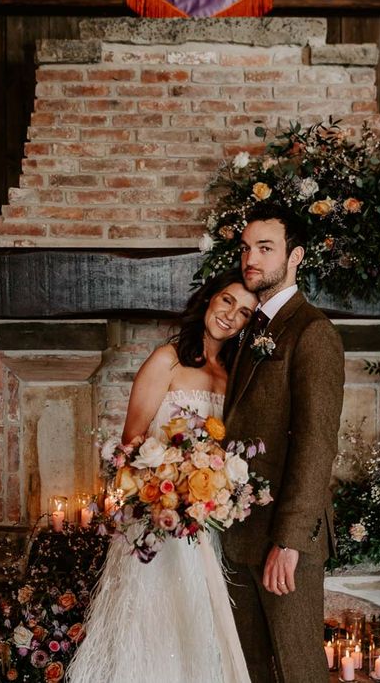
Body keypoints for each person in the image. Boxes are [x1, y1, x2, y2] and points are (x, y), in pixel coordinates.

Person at [66, 270, 258, 683]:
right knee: (152, 623)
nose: (231, 315)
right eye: (227, 301)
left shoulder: (232, 376)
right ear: (210, 299)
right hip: (157, 517)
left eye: (244, 313)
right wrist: (170, 481)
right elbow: (131, 444)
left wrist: (210, 486)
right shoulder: (166, 360)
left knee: (199, 620)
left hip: (204, 523)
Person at [221, 202, 345, 683]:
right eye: (247, 248)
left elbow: (316, 443)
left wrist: (289, 542)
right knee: (251, 672)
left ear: (296, 257)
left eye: (265, 248)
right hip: (241, 534)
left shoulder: (311, 332)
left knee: (298, 671)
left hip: (285, 540)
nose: (251, 258)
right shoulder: (253, 328)